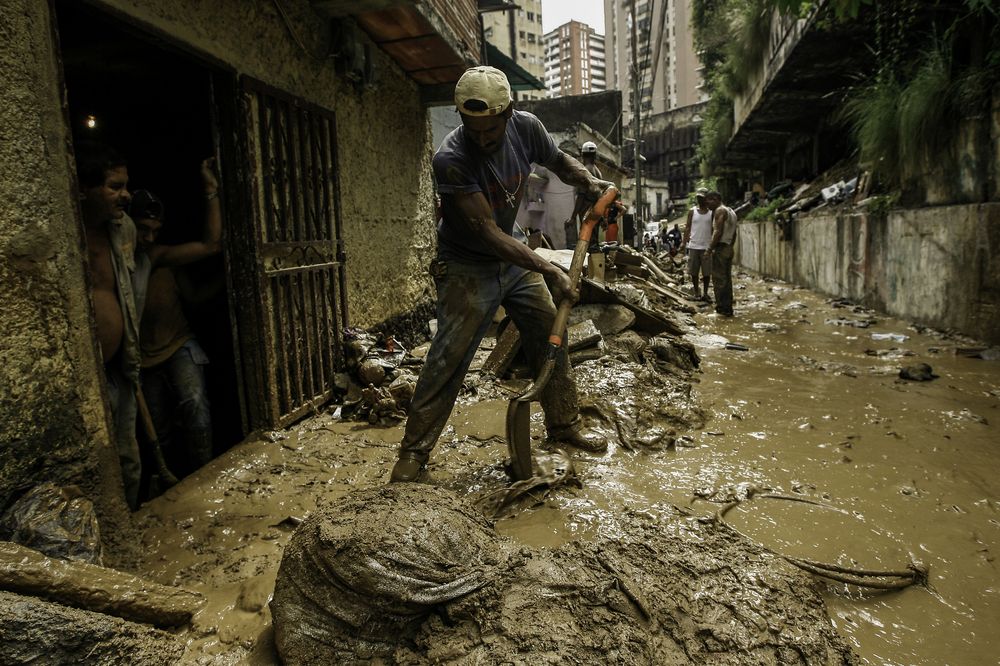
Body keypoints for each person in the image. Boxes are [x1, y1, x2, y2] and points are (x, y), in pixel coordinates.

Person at [390, 66, 612, 482]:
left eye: (489, 131)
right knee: (447, 357)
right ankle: (414, 453)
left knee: (550, 329)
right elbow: (488, 234)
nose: (482, 139)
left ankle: (564, 423)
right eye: (473, 130)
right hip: (466, 264)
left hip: (512, 258)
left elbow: (557, 160)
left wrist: (586, 180)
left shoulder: (526, 128)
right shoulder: (450, 159)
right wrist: (550, 268)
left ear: (508, 113)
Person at [132, 158, 223, 472]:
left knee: (196, 405)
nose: (149, 238)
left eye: (155, 231)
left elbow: (210, 248)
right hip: (141, 358)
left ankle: (205, 472)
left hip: (178, 344)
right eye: (143, 230)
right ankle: (169, 479)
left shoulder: (161, 260)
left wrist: (227, 281)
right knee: (157, 429)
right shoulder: (117, 266)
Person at [76, 141, 142, 509]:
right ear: (85, 190)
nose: (125, 195)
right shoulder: (70, 237)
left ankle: (128, 535)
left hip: (120, 365)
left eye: (125, 186)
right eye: (114, 187)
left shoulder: (124, 230)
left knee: (128, 460)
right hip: (88, 380)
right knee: (96, 472)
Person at [569, 140, 614, 246]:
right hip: (596, 212)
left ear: (583, 155)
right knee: (593, 243)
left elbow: (581, 196)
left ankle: (590, 262)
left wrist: (573, 217)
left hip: (587, 213)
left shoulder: (585, 172)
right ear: (595, 155)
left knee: (586, 243)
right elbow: (600, 198)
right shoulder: (598, 172)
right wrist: (602, 218)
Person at [705, 191, 738, 317]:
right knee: (726, 280)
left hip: (721, 247)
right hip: (728, 246)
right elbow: (734, 233)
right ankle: (727, 308)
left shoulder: (720, 211)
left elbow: (717, 232)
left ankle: (722, 310)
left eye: (709, 201)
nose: (707, 204)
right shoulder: (731, 212)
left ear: (716, 199)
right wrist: (730, 245)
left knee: (719, 279)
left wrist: (709, 249)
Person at [680, 187, 713, 300]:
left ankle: (705, 293)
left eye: (702, 198)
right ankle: (696, 293)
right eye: (698, 197)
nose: (699, 200)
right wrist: (683, 243)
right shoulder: (692, 211)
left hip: (706, 247)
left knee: (706, 272)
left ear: (707, 198)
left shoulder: (711, 213)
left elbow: (714, 229)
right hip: (693, 246)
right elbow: (688, 228)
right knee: (694, 272)